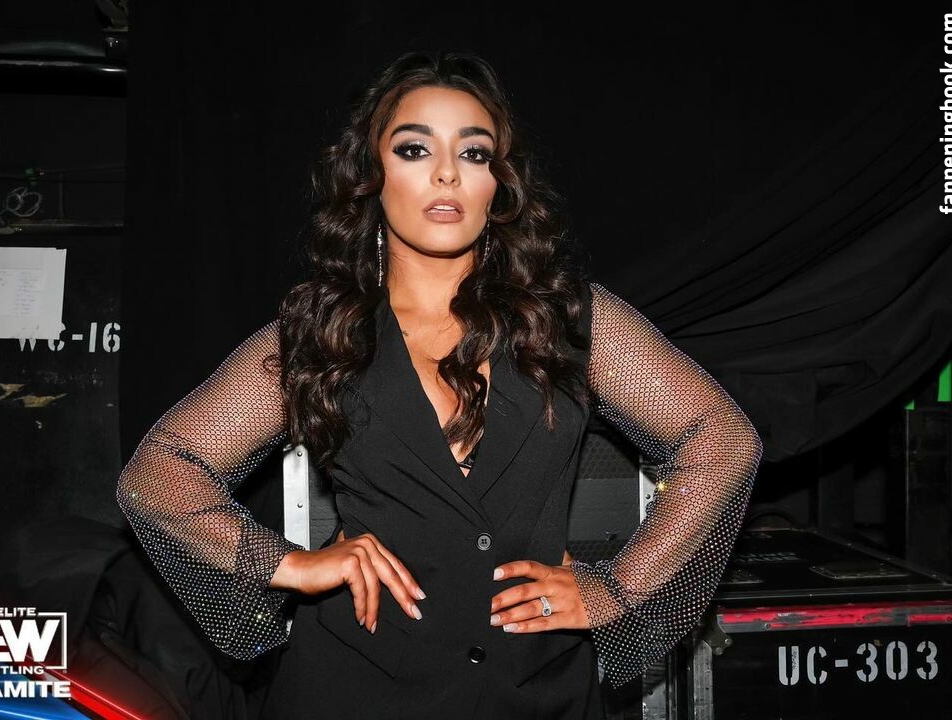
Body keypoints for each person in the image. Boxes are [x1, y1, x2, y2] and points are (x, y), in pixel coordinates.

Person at [116, 50, 763, 719]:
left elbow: (722, 440)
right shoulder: (322, 330)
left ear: (498, 184)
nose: (447, 172)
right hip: (353, 689)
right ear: (372, 174)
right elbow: (159, 473)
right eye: (415, 149)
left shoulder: (569, 318)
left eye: (474, 153)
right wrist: (288, 564)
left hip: (536, 693)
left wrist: (618, 590)